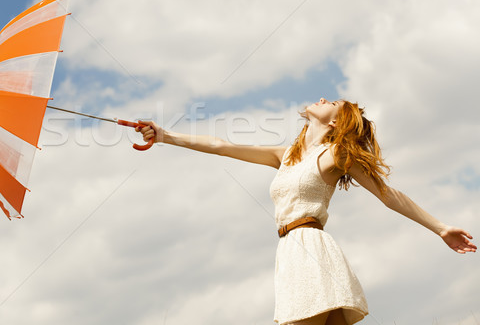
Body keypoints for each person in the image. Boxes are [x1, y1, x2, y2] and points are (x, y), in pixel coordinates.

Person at [136, 98, 476, 325]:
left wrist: (440, 227)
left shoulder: (335, 154)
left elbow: (388, 195)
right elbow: (222, 146)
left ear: (336, 122)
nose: (324, 99)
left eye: (333, 103)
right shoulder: (287, 155)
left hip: (312, 250)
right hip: (289, 252)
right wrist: (165, 135)